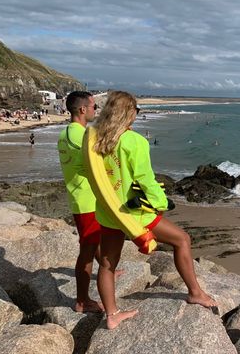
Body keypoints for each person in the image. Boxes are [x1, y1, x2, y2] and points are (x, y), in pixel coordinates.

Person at [93, 90, 217, 330]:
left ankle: (112, 314)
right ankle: (196, 293)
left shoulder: (95, 140)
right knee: (182, 240)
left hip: (108, 212)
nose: (137, 115)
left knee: (107, 265)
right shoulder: (134, 141)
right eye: (136, 110)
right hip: (134, 213)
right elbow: (146, 179)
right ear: (129, 113)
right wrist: (161, 203)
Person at [57, 91, 108, 313]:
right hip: (86, 200)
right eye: (94, 107)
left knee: (94, 241)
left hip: (81, 197)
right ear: (82, 110)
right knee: (87, 249)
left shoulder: (65, 133)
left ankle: (109, 271)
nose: (96, 111)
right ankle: (82, 300)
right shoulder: (81, 135)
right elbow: (101, 162)